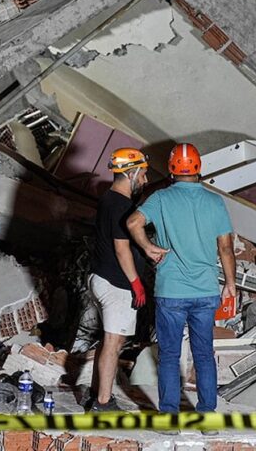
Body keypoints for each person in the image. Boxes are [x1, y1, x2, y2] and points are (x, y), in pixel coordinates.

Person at [126, 143, 236, 414]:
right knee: (204, 356)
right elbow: (225, 247)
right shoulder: (214, 201)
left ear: (172, 169)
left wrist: (146, 247)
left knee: (169, 357)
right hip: (205, 291)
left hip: (171, 290)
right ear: (199, 168)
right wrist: (230, 284)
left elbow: (132, 223)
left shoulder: (161, 198)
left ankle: (169, 417)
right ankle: (207, 416)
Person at [88, 148, 149, 412]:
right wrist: (136, 282)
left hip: (100, 277)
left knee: (108, 342)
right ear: (132, 172)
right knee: (113, 344)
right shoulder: (122, 206)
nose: (144, 181)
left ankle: (96, 393)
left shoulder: (108, 199)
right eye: (143, 175)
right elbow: (121, 248)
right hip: (117, 284)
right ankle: (103, 402)